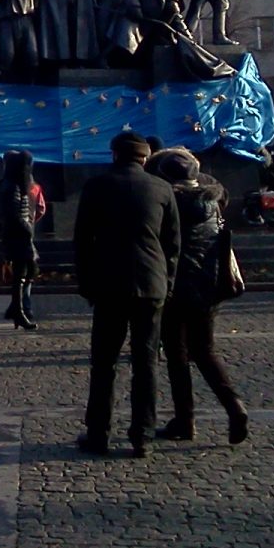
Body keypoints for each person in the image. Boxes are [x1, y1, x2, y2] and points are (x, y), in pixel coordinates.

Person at [74, 132, 180, 457]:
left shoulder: (97, 186)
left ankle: (98, 433)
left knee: (104, 363)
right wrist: (168, 282)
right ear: (145, 157)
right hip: (151, 285)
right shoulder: (162, 188)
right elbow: (172, 243)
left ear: (114, 154)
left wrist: (86, 283)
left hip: (109, 284)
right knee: (146, 362)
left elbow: (82, 240)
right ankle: (143, 435)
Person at [145, 148, 248, 445]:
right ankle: (234, 405)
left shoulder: (167, 202)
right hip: (208, 286)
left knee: (176, 355)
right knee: (205, 350)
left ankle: (185, 419)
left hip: (174, 286)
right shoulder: (212, 201)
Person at [0, 150, 41, 330]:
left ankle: (16, 308)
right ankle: (18, 311)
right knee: (23, 272)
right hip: (18, 235)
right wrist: (27, 228)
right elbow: (13, 213)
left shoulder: (17, 184)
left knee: (28, 271)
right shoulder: (12, 186)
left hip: (20, 235)